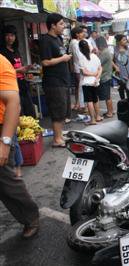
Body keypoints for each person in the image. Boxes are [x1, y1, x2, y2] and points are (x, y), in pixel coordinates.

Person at [0, 53, 39, 239]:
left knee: (6, 181)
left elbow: (13, 103)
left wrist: (5, 142)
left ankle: (30, 217)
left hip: (2, 128)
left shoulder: (1, 62)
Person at [40, 13, 72, 148]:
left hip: (63, 80)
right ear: (53, 26)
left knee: (64, 110)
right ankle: (57, 139)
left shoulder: (58, 38)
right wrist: (63, 58)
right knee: (57, 111)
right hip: (53, 82)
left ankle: (59, 135)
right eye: (61, 24)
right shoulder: (45, 40)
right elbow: (45, 62)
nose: (63, 26)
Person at [1, 25, 35, 118]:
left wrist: (26, 71)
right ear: (3, 37)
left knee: (29, 110)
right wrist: (19, 70)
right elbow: (3, 72)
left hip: (22, 83)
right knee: (18, 112)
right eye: (7, 35)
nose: (10, 38)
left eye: (12, 35)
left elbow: (19, 66)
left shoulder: (16, 50)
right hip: (10, 86)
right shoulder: (2, 52)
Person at [78, 40, 102, 125]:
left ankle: (92, 120)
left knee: (89, 101)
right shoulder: (95, 56)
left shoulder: (81, 58)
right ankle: (98, 116)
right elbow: (100, 68)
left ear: (80, 49)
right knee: (95, 99)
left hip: (86, 82)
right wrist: (96, 76)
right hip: (95, 82)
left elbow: (84, 72)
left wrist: (92, 74)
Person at [111, 34, 129, 99]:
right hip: (120, 73)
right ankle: (123, 101)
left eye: (126, 39)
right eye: (124, 40)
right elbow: (110, 60)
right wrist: (116, 67)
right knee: (121, 88)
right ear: (119, 41)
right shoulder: (113, 49)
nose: (126, 41)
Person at [95, 36, 113, 118]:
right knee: (107, 96)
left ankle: (110, 112)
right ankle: (110, 111)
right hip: (106, 76)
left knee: (107, 96)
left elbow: (98, 63)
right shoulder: (105, 51)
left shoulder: (104, 53)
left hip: (104, 77)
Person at [69, 26, 85, 112]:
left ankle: (77, 104)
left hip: (77, 67)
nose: (83, 34)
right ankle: (79, 105)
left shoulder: (74, 42)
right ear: (77, 34)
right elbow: (79, 56)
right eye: (82, 32)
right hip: (79, 67)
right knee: (80, 87)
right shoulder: (75, 43)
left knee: (78, 86)